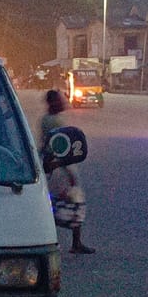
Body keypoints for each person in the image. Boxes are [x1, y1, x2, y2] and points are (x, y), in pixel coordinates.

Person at [40, 90, 95, 254]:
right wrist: (67, 172)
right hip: (60, 168)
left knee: (57, 204)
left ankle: (72, 241)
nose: (64, 103)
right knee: (74, 203)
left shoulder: (46, 119)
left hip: (54, 166)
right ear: (52, 103)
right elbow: (58, 148)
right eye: (60, 100)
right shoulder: (54, 122)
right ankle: (75, 243)